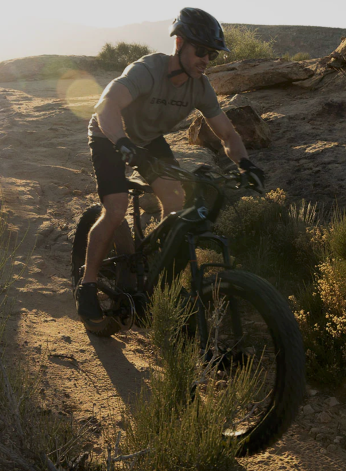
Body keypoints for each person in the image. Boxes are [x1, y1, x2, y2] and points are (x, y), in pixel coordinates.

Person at [76, 7, 266, 327]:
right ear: (179, 44)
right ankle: (87, 285)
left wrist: (246, 163)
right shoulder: (147, 70)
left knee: (176, 202)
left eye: (212, 54)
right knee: (116, 207)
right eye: (200, 51)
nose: (206, 59)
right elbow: (107, 105)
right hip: (110, 133)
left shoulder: (200, 86)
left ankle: (155, 274)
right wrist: (122, 143)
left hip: (148, 139)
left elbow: (227, 133)